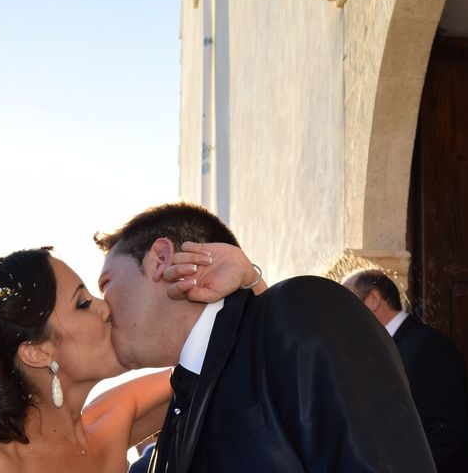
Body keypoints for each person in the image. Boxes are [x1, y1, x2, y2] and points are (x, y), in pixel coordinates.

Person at [94, 202, 437, 473]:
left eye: (106, 284)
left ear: (161, 259)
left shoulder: (301, 307)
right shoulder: (180, 402)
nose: (102, 308)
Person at [0, 243, 258, 473]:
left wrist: (247, 277)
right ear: (37, 351)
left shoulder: (116, 417)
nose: (105, 308)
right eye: (83, 303)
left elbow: (238, 360)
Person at [343, 270, 468, 473]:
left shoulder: (428, 347)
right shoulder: (376, 350)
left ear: (373, 299)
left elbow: (447, 434)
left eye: (347, 304)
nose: (342, 316)